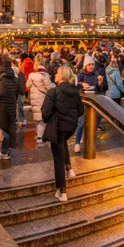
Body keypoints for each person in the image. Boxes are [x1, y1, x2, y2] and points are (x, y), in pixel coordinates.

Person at [42, 66, 84, 201]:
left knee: (57, 158)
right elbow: (81, 110)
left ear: (62, 76)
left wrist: (51, 118)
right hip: (70, 127)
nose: (55, 75)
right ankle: (69, 168)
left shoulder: (53, 92)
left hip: (57, 127)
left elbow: (45, 112)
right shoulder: (75, 92)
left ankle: (62, 190)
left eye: (58, 73)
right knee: (62, 143)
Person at [0, 57, 20, 160]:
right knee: (10, 127)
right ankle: (8, 150)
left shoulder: (2, 77)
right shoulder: (13, 77)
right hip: (11, 105)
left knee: (4, 129)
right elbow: (17, 92)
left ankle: (5, 151)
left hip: (3, 107)